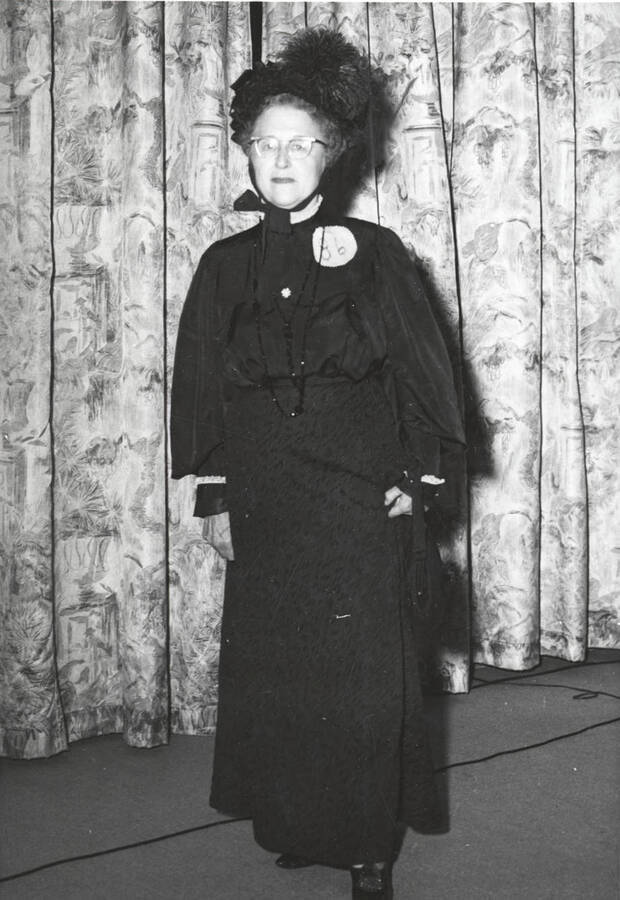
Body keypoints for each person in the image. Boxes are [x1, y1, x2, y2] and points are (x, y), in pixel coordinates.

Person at [171, 28, 465, 900]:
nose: (284, 158)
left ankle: (367, 839)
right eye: (268, 143)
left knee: (363, 671)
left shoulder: (377, 256)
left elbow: (426, 379)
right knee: (285, 669)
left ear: (332, 156)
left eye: (303, 143)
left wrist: (419, 482)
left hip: (358, 495)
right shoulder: (221, 268)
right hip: (266, 495)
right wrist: (216, 495)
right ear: (248, 156)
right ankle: (306, 821)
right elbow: (201, 393)